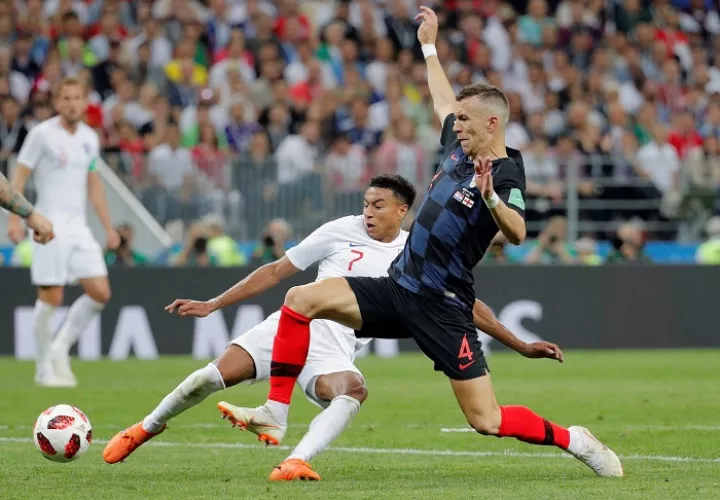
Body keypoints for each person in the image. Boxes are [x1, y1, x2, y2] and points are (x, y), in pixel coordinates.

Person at [226, 7, 623, 479]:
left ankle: (576, 440)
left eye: (465, 120)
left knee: (487, 421)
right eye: (456, 119)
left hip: (442, 306)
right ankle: (276, 409)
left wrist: (491, 196)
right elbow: (441, 100)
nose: (455, 125)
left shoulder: (508, 172)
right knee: (299, 299)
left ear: (492, 124)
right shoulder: (459, 146)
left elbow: (516, 232)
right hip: (398, 287)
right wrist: (429, 47)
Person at [101, 174, 564, 481]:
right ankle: (146, 427)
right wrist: (214, 303)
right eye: (365, 203)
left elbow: (468, 305)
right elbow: (277, 271)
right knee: (208, 378)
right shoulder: (339, 228)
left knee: (353, 391)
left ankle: (297, 459)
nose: (367, 212)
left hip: (334, 343)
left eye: (378, 205)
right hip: (289, 326)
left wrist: (518, 343)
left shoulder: (416, 253)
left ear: (402, 211)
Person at [7, 77, 120, 388]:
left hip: (79, 227)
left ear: (85, 102)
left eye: (77, 97)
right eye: (66, 97)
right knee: (52, 296)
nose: (72, 103)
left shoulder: (89, 137)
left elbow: (93, 184)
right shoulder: (41, 135)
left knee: (100, 292)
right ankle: (43, 365)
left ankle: (60, 347)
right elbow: (20, 174)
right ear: (57, 103)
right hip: (49, 223)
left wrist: (108, 226)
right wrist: (15, 220)